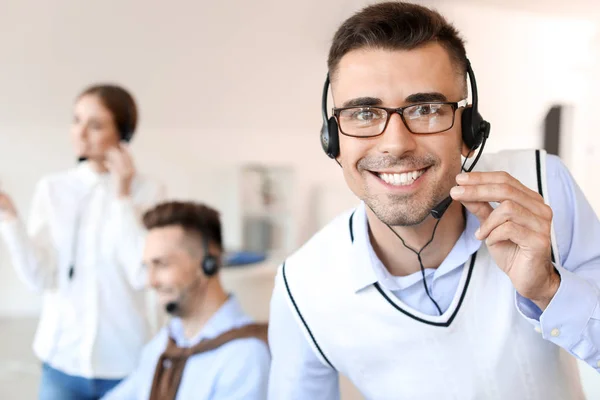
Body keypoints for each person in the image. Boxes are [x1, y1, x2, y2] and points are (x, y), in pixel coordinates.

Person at [267, 2, 600, 400]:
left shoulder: (543, 188)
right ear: (333, 140)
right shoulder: (301, 287)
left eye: (425, 109)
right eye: (364, 113)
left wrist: (549, 288)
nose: (395, 144)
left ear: (469, 131)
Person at [0, 84, 165, 399]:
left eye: (95, 124)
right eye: (76, 120)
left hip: (125, 365)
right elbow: (40, 278)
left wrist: (122, 197)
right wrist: (8, 218)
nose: (80, 133)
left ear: (123, 133)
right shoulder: (53, 189)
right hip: (61, 360)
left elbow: (141, 274)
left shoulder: (149, 191)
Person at [102, 201, 270, 400]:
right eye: (148, 267)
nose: (150, 281)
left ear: (209, 264)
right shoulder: (165, 342)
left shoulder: (245, 357)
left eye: (162, 264)